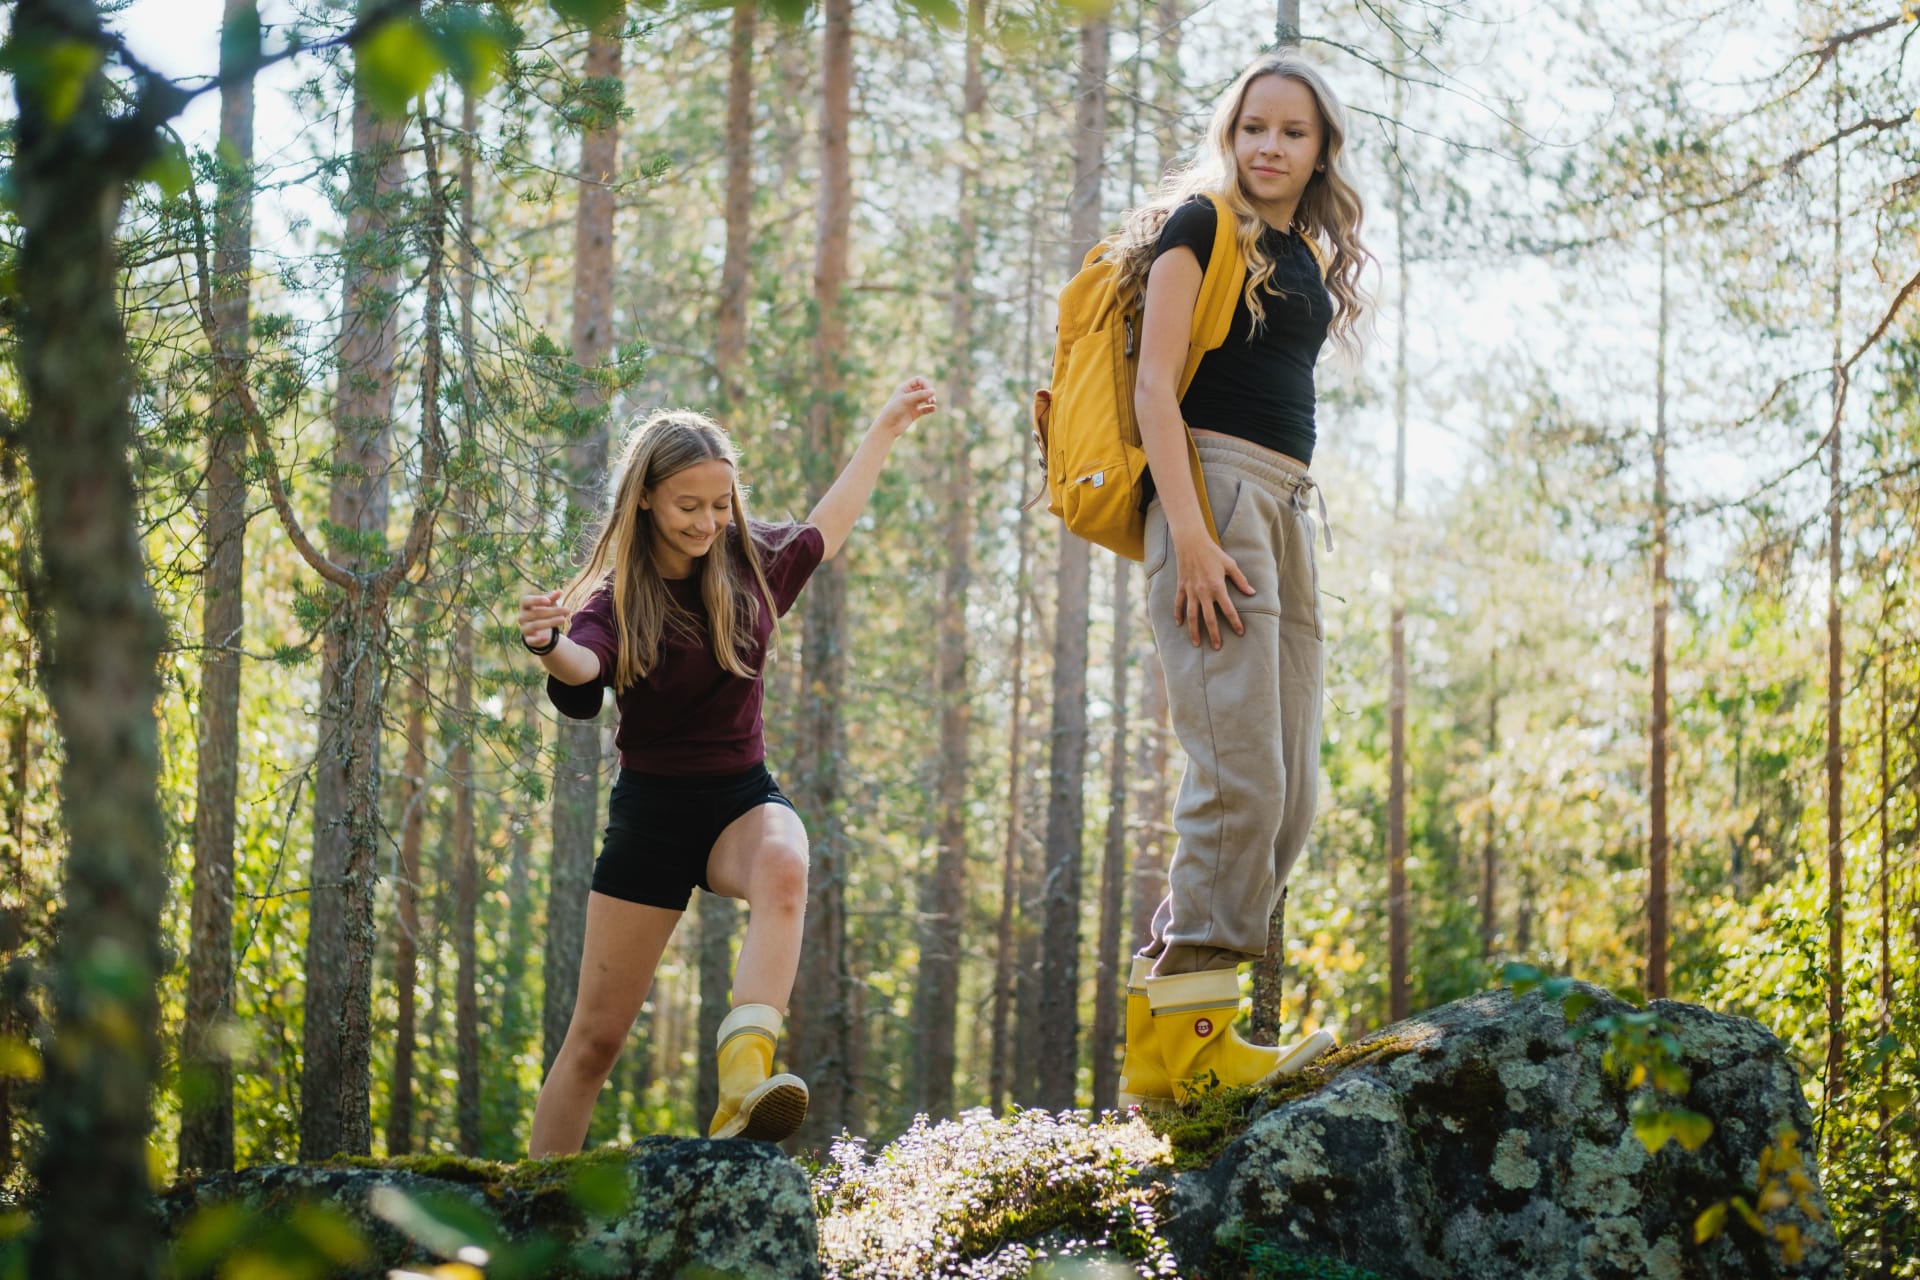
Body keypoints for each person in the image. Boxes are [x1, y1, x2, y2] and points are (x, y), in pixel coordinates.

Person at [519, 377, 938, 1153]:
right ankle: (535, 1214)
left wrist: (883, 427)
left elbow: (826, 527)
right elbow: (583, 668)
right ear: (645, 499)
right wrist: (549, 644)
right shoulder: (614, 601)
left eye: (721, 503)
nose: (710, 521)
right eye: (690, 506)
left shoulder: (749, 562)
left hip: (740, 800)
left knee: (785, 863)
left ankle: (744, 1082)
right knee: (593, 1043)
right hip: (651, 818)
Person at [1110, 51, 1373, 1107]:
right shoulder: (1201, 226)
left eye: (1292, 131)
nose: (1269, 144)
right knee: (1237, 780)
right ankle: (1184, 1063)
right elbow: (1153, 387)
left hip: (1285, 506)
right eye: (1254, 125)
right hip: (1210, 500)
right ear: (1233, 133)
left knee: (1290, 794)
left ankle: (1175, 1033)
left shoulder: (1299, 249)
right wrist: (1192, 529)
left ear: (1320, 149)